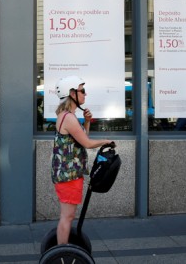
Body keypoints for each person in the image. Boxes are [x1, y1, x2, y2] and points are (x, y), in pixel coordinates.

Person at [51, 75, 114, 245]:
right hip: (68, 175)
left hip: (68, 173)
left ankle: (61, 250)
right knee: (67, 216)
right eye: (82, 91)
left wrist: (87, 123)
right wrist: (105, 141)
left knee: (68, 215)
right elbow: (86, 143)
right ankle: (61, 253)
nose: (85, 95)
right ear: (71, 93)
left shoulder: (68, 116)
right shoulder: (69, 118)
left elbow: (82, 139)